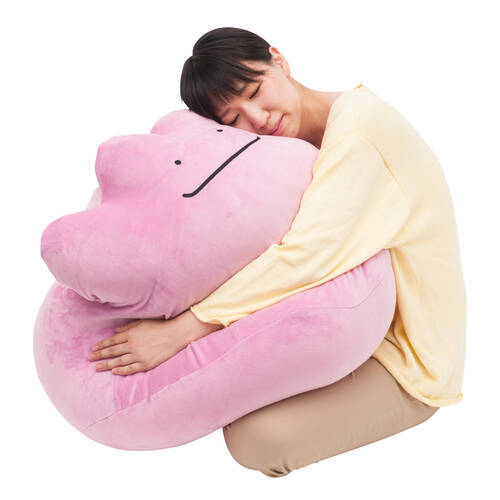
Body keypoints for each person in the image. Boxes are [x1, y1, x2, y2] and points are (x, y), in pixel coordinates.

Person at [88, 27, 466, 478]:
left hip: (408, 360)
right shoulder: (289, 150)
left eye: (254, 91)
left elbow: (305, 255)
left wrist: (184, 329)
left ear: (278, 60)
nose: (258, 118)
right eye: (233, 118)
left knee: (256, 440)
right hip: (347, 336)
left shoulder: (359, 132)